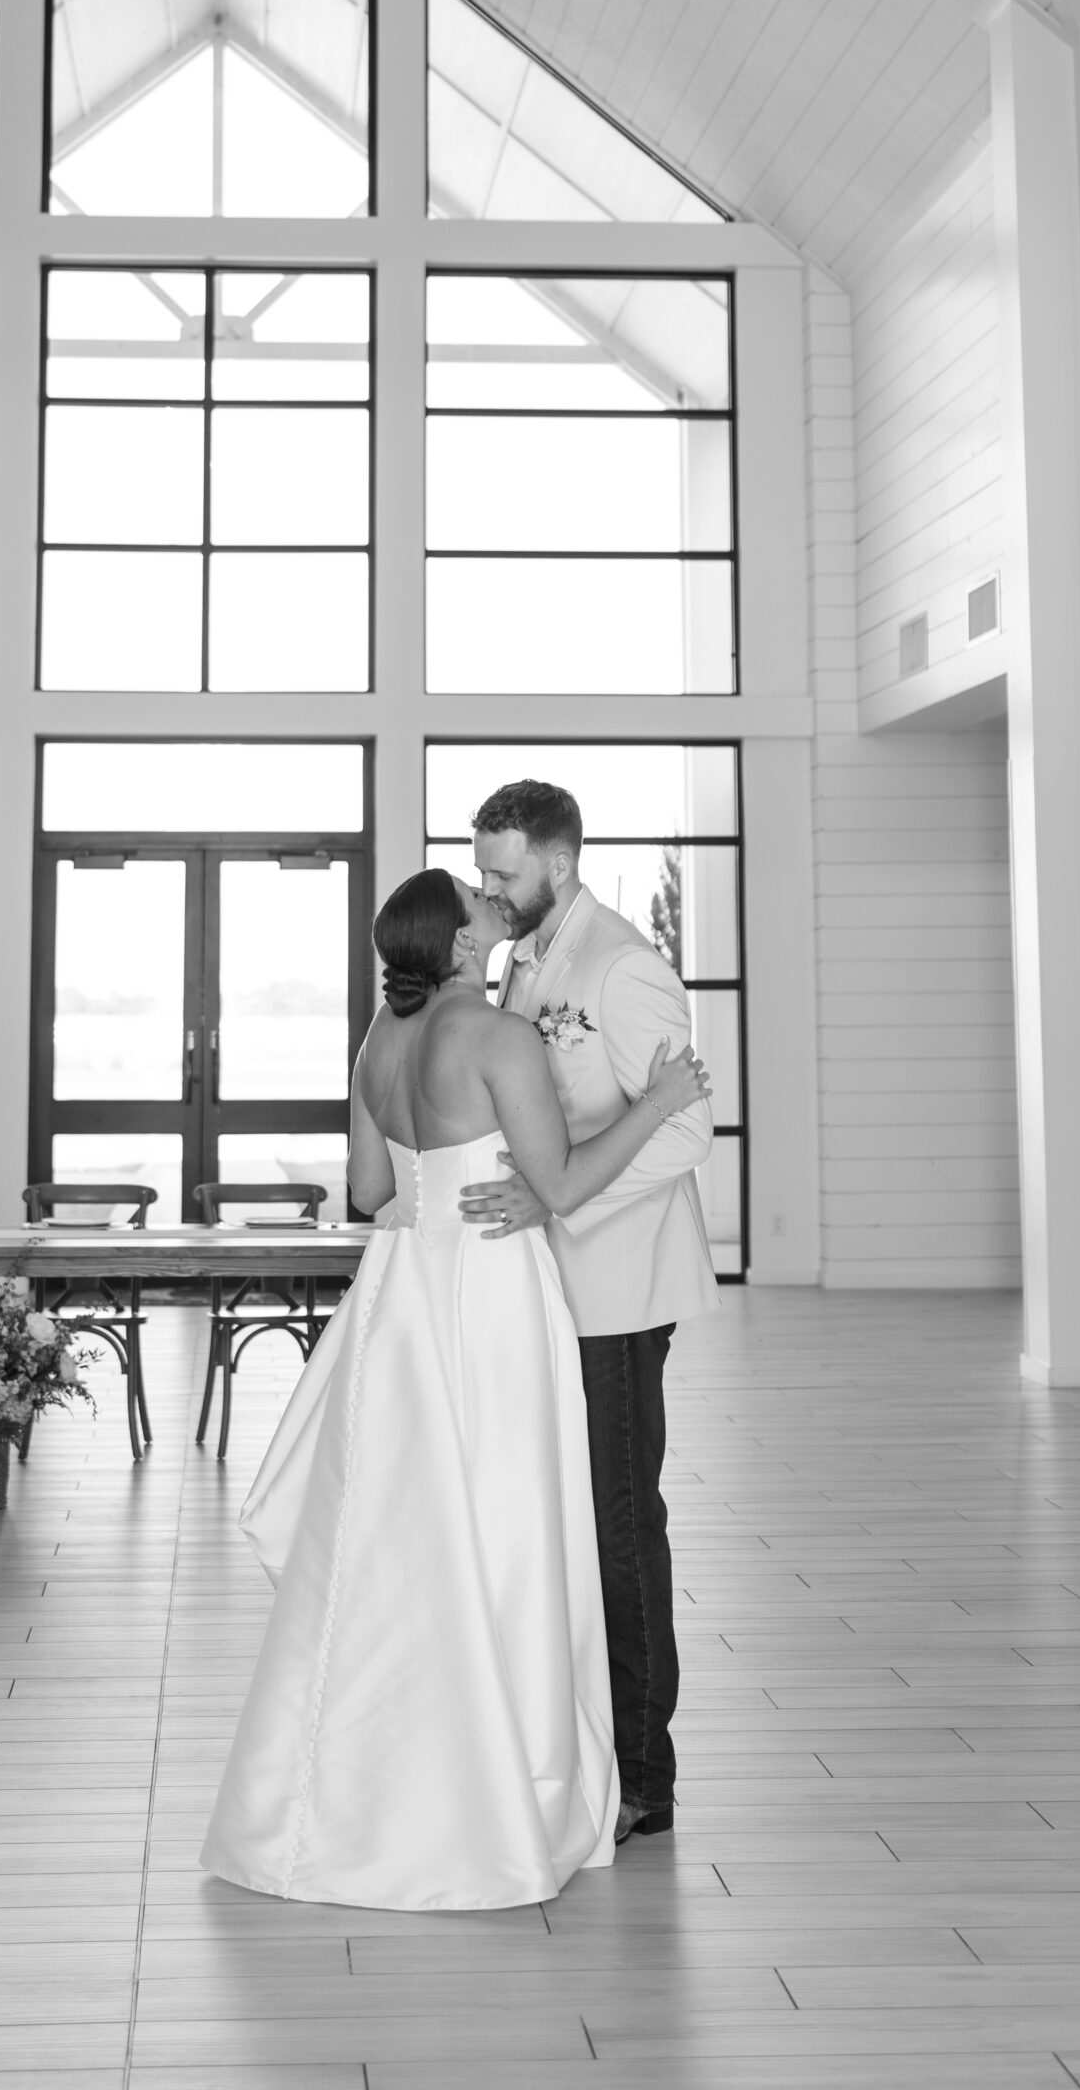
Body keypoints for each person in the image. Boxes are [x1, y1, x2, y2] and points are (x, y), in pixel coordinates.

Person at [200, 867, 707, 1912]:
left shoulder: (378, 1042)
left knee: (403, 1546)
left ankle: (369, 1787)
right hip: (490, 1295)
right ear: (464, 947)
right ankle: (494, 1780)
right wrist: (658, 1100)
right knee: (508, 1533)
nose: (494, 906)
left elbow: (372, 1191)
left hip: (402, 1294)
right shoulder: (498, 1038)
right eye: (479, 906)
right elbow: (559, 1188)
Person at [462, 780, 718, 1846]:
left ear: (559, 863)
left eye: (503, 872)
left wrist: (558, 1191)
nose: (490, 888)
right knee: (566, 1520)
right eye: (482, 870)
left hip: (616, 1287)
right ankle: (584, 1739)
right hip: (542, 1288)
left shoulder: (623, 965)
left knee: (620, 1524)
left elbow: (684, 1132)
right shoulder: (522, 962)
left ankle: (647, 1775)